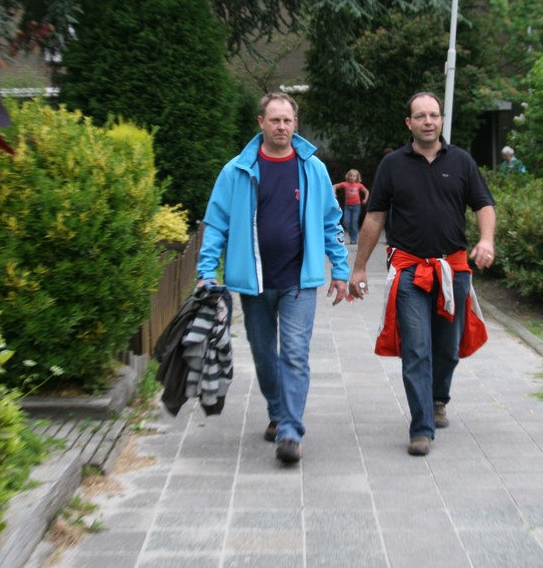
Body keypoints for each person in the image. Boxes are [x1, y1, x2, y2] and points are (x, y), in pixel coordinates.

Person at [197, 91, 349, 465]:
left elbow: (331, 221)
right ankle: (277, 411)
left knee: (294, 354)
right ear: (261, 122)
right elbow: (216, 224)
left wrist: (340, 269)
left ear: (296, 124)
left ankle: (290, 432)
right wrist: (206, 272)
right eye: (275, 120)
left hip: (299, 281)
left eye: (287, 120)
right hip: (255, 283)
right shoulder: (237, 171)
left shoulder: (312, 168)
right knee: (264, 354)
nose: (281, 126)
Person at [349, 91, 496, 456]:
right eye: (420, 116)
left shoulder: (461, 161)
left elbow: (484, 205)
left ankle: (438, 398)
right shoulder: (392, 165)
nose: (428, 121)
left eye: (433, 115)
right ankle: (421, 427)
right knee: (416, 348)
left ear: (441, 120)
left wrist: (486, 240)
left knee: (447, 348)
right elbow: (375, 217)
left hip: (453, 270)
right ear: (409, 123)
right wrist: (359, 267)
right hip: (409, 271)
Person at [332, 169, 369, 245]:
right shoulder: (345, 184)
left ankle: (354, 239)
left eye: (354, 176)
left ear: (357, 177)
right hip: (348, 206)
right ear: (348, 177)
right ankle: (352, 235)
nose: (352, 177)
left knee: (354, 222)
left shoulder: (359, 185)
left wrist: (365, 199)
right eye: (351, 176)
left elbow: (366, 191)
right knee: (346, 222)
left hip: (356, 206)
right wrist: (334, 193)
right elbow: (334, 186)